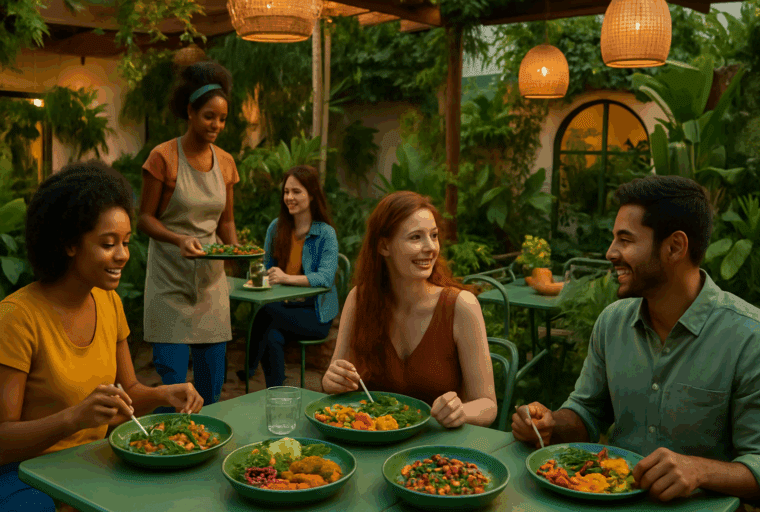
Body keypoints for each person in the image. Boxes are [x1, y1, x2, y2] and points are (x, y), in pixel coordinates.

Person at [512, 175, 760, 507]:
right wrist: (550, 422)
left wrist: (700, 471)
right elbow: (587, 412)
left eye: (625, 240)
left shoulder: (752, 339)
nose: (611, 252)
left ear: (675, 246)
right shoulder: (613, 322)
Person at [0, 161, 204, 512]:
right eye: (108, 243)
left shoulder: (108, 302)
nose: (122, 255)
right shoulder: (17, 317)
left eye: (126, 242)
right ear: (69, 244)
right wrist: (74, 418)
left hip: (90, 465)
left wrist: (163, 394)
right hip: (25, 476)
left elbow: (130, 393)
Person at [322, 191, 497, 429]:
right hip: (372, 441)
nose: (430, 248)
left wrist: (461, 411)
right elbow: (335, 376)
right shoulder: (359, 299)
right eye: (416, 237)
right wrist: (332, 380)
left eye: (433, 236)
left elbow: (487, 404)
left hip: (437, 451)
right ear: (384, 246)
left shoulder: (461, 306)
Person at [138, 60, 240, 409]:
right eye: (209, 116)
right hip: (169, 283)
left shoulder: (225, 162)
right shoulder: (162, 157)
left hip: (211, 285)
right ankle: (173, 453)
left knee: (212, 389)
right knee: (174, 390)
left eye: (222, 119)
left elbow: (225, 223)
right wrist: (178, 239)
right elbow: (144, 219)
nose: (217, 125)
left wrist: (239, 252)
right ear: (190, 112)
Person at [237, 165, 339, 388]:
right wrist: (257, 278)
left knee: (266, 314)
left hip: (315, 314)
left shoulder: (325, 233)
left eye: (296, 192)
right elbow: (267, 267)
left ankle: (249, 367)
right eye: (286, 192)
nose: (289, 197)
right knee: (271, 335)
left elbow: (325, 278)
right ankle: (277, 391)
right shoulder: (277, 227)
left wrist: (285, 278)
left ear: (311, 195)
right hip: (283, 308)